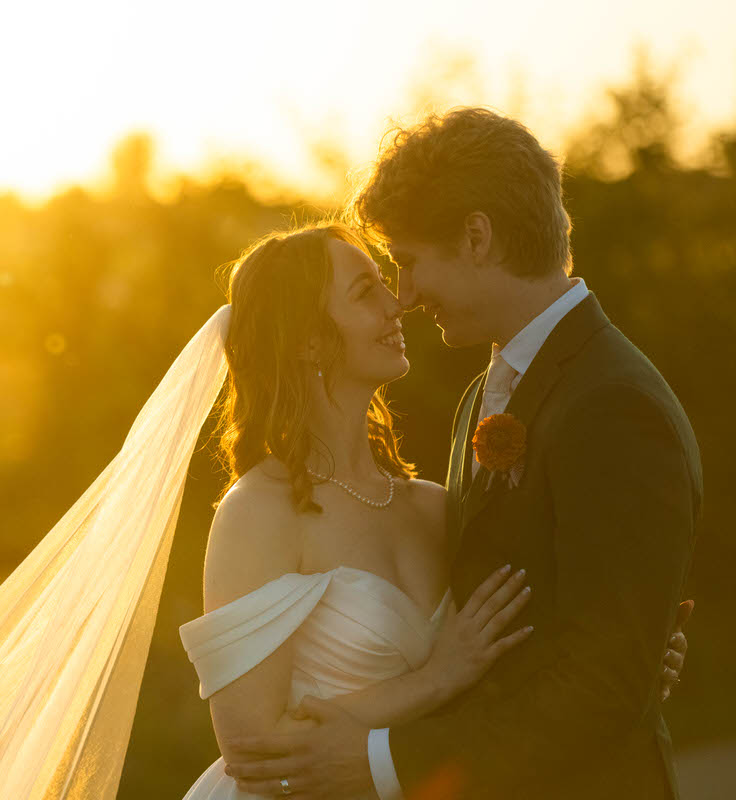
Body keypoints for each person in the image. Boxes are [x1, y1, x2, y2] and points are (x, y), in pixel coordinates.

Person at [220, 108, 701, 800]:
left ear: (476, 237)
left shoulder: (613, 404)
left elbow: (605, 682)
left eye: (407, 264)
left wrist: (385, 762)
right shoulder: (484, 396)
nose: (405, 297)